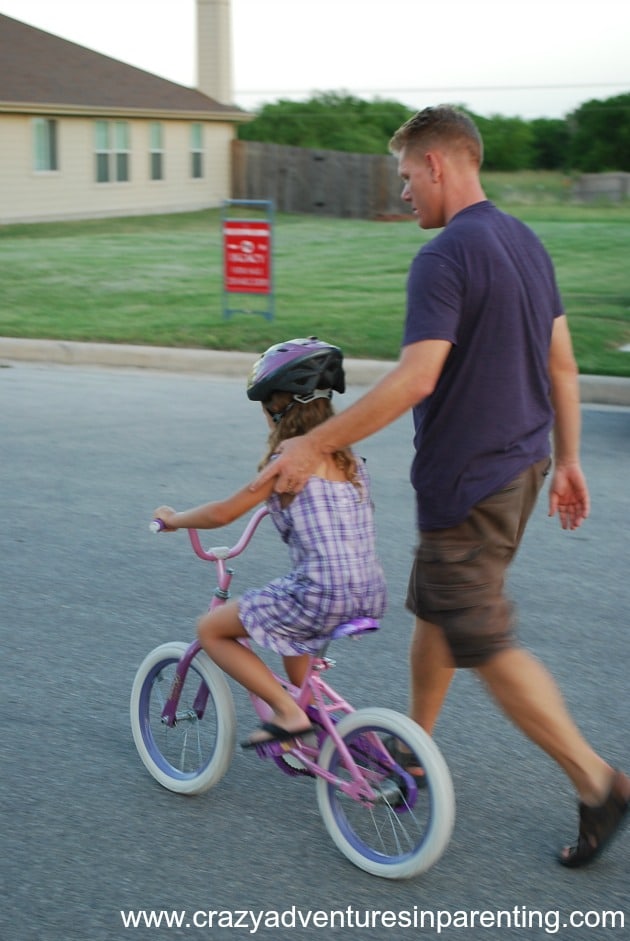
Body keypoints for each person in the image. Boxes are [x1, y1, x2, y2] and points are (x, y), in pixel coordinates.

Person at [251, 106, 629, 865]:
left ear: (437, 165)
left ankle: (599, 782)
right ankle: (412, 749)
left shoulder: (445, 256)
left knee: (482, 639)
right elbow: (561, 362)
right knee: (437, 610)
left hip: (473, 481)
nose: (401, 196)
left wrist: (314, 443)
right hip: (521, 468)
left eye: (404, 178)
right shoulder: (524, 239)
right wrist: (573, 457)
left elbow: (417, 377)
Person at [152, 337, 387, 747]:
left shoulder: (288, 465)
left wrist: (174, 519)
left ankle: (288, 713)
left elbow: (223, 513)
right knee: (293, 630)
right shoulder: (351, 463)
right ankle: (315, 725)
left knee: (211, 630)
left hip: (321, 592)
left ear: (278, 409)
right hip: (368, 589)